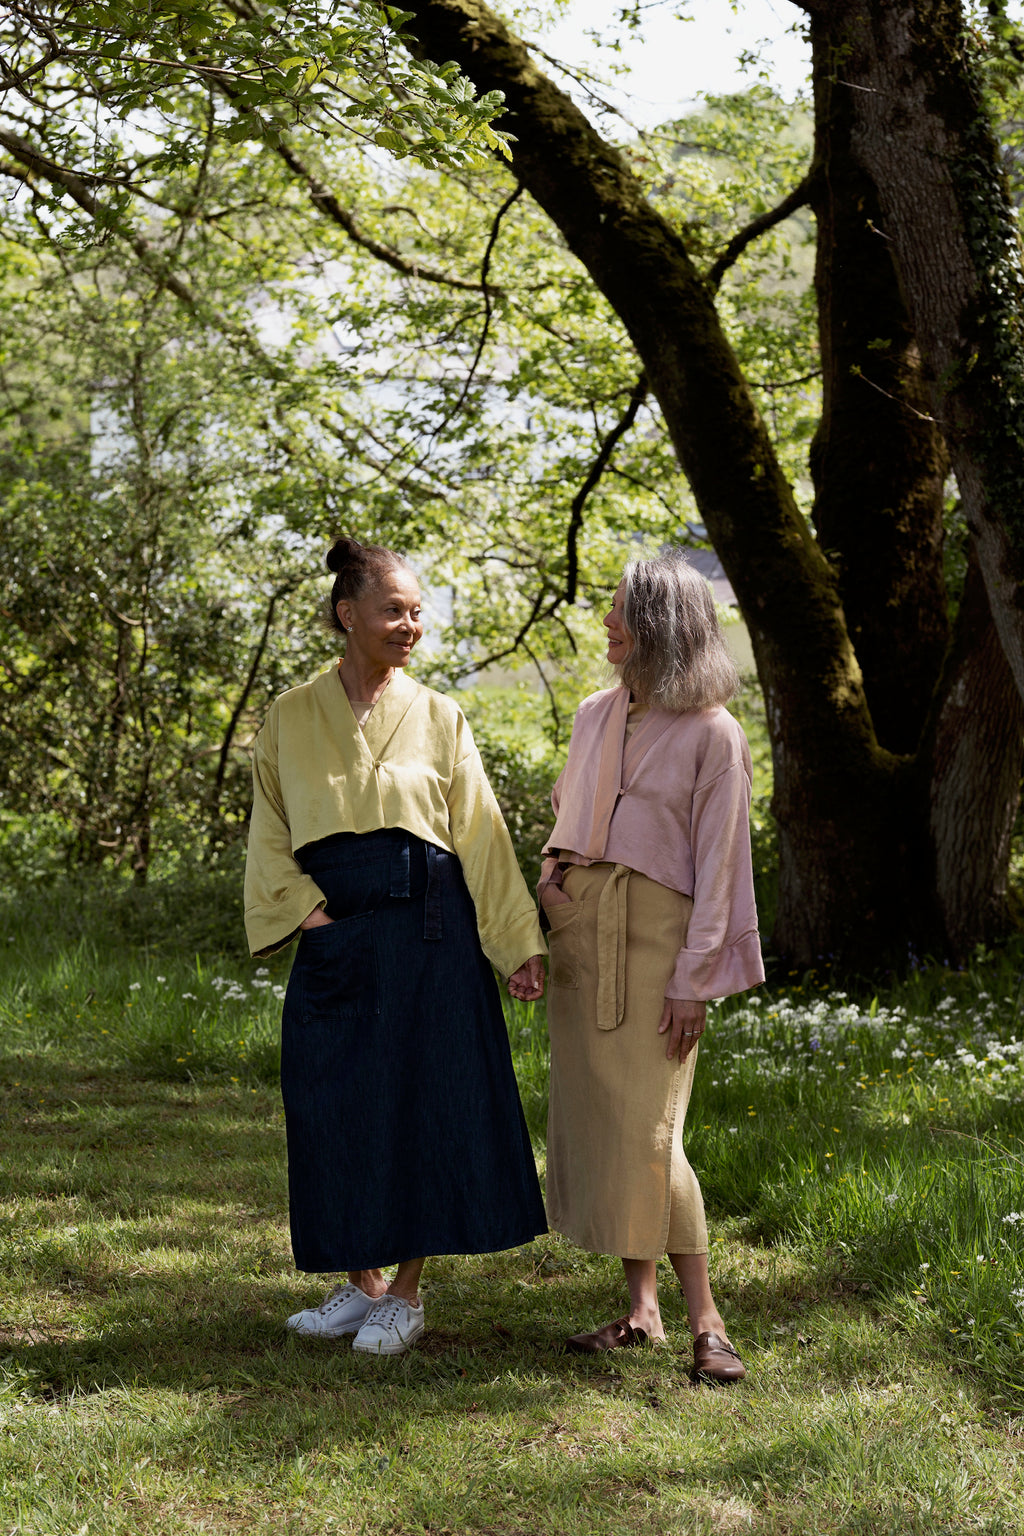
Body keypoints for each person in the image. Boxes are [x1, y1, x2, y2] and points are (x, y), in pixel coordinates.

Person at [244, 536, 547, 1356]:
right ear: (348, 615)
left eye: (418, 612)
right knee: (333, 1098)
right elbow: (269, 828)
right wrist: (308, 917)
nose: (411, 625)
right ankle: (358, 1283)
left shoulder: (441, 714)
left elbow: (480, 833)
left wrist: (516, 940)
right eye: (394, 610)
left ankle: (405, 1296)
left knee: (425, 1098)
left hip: (432, 927)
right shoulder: (289, 714)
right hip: (336, 926)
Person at [538, 548, 764, 1382]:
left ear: (659, 626)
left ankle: (708, 1319)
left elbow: (723, 864)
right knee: (606, 1118)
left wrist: (695, 978)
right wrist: (552, 892)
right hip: (583, 931)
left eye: (619, 610)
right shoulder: (595, 713)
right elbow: (564, 818)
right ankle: (642, 1311)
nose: (606, 621)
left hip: (662, 941)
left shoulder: (714, 733)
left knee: (651, 1130)